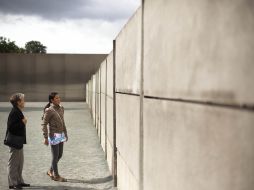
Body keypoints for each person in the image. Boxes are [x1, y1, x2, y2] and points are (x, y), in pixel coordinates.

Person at [5, 93, 30, 189]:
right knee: (13, 163)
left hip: (18, 141)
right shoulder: (14, 112)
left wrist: (22, 123)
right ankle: (13, 183)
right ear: (18, 102)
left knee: (20, 162)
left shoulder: (18, 111)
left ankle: (19, 181)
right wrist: (22, 123)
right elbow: (11, 127)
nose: (24, 102)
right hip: (15, 142)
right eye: (23, 100)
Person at [41, 92, 68, 182]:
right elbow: (44, 124)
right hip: (54, 135)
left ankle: (50, 170)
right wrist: (45, 137)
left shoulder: (61, 108)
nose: (59, 99)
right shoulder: (49, 110)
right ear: (52, 100)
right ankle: (56, 176)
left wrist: (65, 133)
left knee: (60, 155)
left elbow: (63, 122)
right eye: (56, 98)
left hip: (61, 134)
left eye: (59, 98)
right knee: (55, 156)